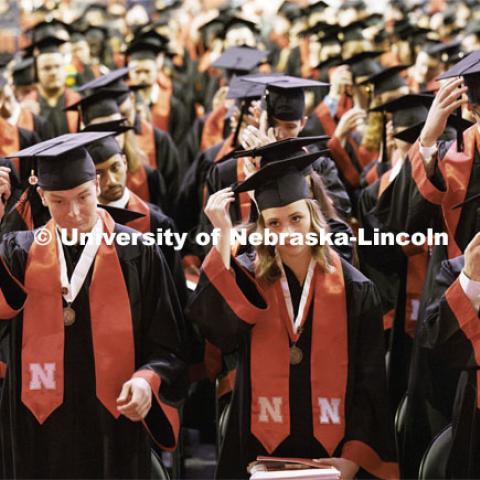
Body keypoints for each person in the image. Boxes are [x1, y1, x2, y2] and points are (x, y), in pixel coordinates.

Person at [187, 149, 398, 479]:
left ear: (313, 215)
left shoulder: (356, 291)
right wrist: (223, 237)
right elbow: (218, 331)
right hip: (259, 454)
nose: (287, 231)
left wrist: (353, 459)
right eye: (274, 223)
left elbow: (369, 384)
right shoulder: (246, 279)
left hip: (336, 457)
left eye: (296, 218)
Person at [0, 132, 187, 478]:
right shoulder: (18, 253)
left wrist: (147, 382)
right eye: (58, 201)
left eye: (83, 197)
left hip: (114, 428)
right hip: (38, 432)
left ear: (97, 185)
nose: (73, 213)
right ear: (41, 196)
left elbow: (170, 347)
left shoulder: (139, 252)